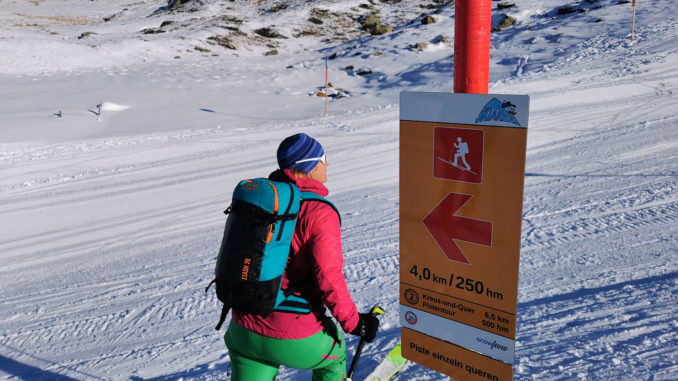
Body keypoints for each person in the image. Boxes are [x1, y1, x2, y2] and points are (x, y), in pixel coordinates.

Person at [224, 133, 380, 380]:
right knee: (334, 357)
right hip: (291, 334)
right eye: (324, 158)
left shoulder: (266, 201)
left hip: (243, 326)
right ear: (308, 166)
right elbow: (328, 278)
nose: (327, 164)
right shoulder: (319, 212)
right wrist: (354, 323)